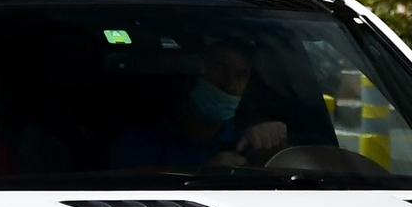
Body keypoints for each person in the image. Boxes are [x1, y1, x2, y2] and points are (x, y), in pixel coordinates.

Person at [110, 41, 290, 171]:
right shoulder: (139, 143)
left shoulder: (248, 143)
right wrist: (203, 172)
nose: (230, 84)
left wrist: (271, 154)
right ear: (191, 73)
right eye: (219, 68)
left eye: (241, 75)